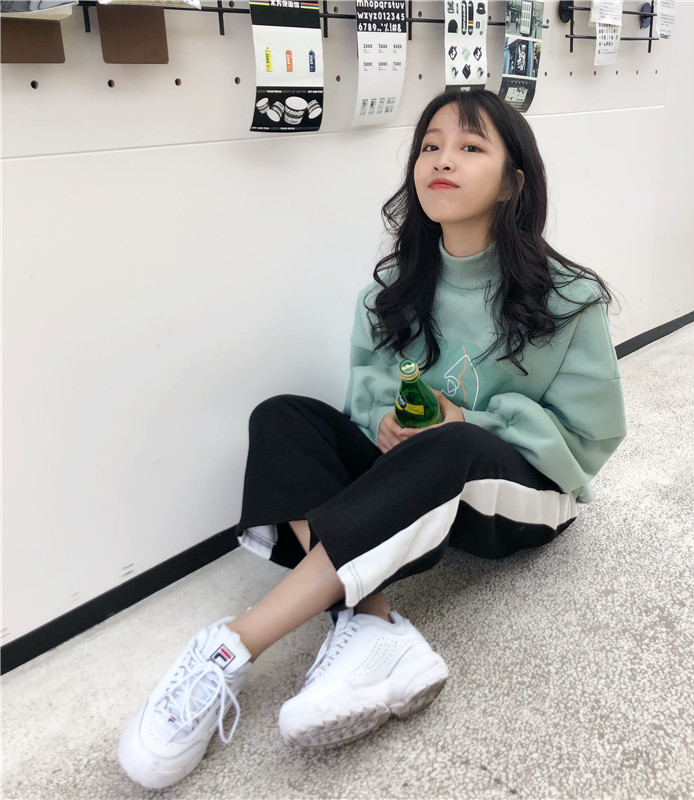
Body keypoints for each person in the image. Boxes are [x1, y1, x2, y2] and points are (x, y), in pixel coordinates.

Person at [117, 88, 626, 789]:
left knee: (447, 445)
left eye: (470, 146)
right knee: (283, 417)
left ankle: (232, 646)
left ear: (513, 182)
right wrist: (386, 420)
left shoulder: (568, 298)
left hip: (522, 501)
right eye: (430, 146)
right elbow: (365, 396)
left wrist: (467, 424)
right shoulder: (391, 289)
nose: (441, 160)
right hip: (417, 482)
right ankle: (373, 625)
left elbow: (592, 434)